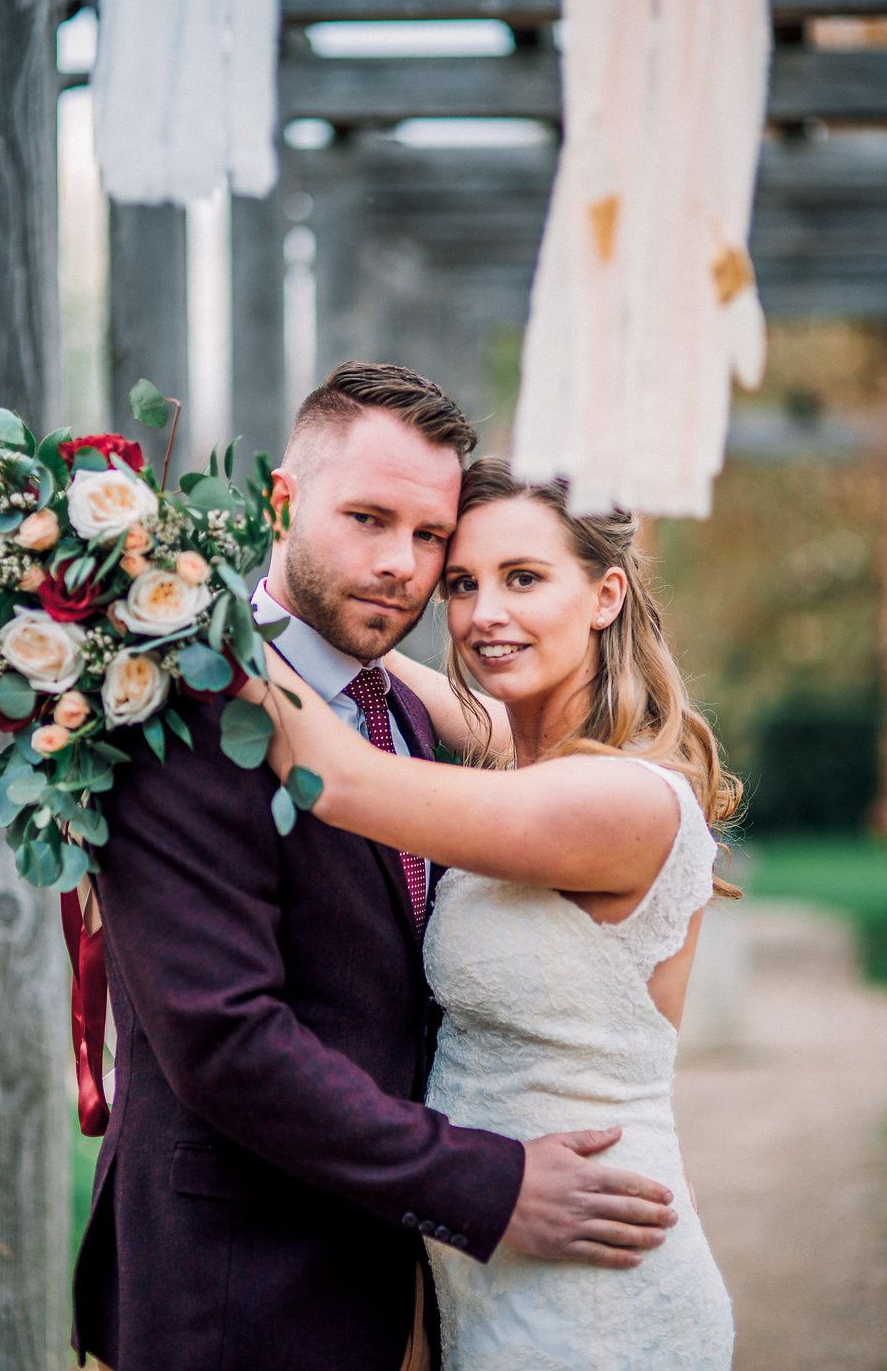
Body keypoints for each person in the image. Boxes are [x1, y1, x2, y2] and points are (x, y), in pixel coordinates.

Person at [70, 365, 678, 1371]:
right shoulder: (183, 706)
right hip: (234, 1294)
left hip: (394, 1283)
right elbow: (224, 1038)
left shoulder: (400, 710)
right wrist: (484, 1185)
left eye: (430, 536)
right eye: (366, 517)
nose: (402, 563)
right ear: (279, 500)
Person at [239, 454, 741, 1371]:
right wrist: (221, 572)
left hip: (589, 1285)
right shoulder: (516, 756)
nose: (482, 616)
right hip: (494, 1264)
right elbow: (358, 663)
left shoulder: (621, 801)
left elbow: (338, 778)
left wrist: (182, 631)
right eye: (462, 585)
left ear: (606, 595)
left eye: (523, 579)